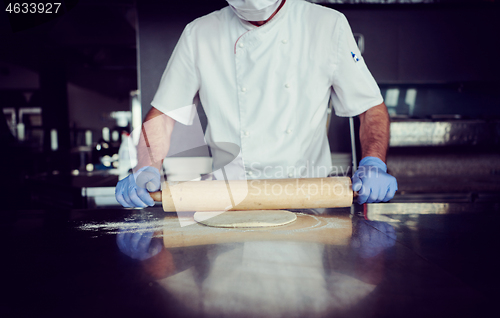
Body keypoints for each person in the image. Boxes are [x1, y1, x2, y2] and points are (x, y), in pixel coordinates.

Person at [115, 0, 398, 208]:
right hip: (228, 201)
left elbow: (370, 108)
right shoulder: (199, 34)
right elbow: (163, 116)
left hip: (309, 197)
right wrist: (145, 166)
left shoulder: (327, 25)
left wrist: (373, 162)